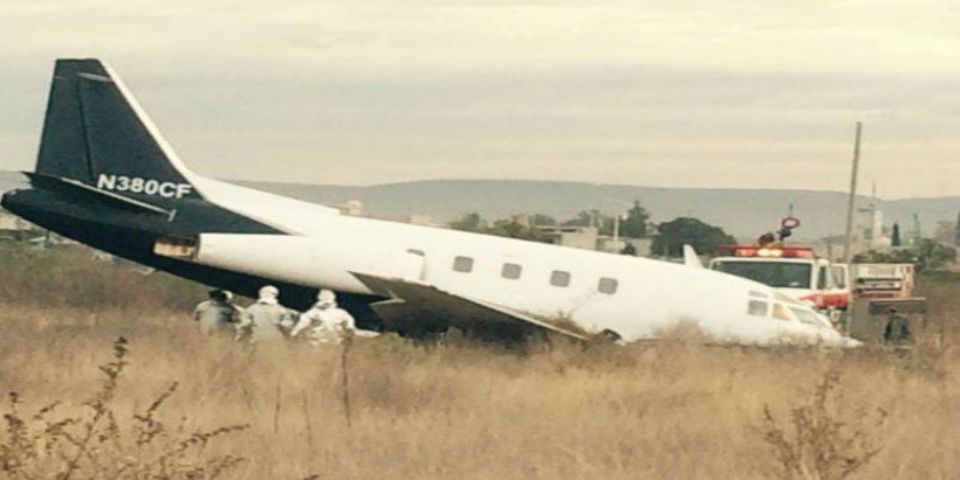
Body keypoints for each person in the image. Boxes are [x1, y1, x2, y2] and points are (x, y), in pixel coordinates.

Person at [290, 289, 357, 346]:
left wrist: (350, 328)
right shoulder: (314, 312)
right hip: (318, 339)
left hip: (334, 340)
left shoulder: (339, 312)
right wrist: (294, 332)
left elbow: (349, 319)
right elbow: (303, 321)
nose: (326, 304)